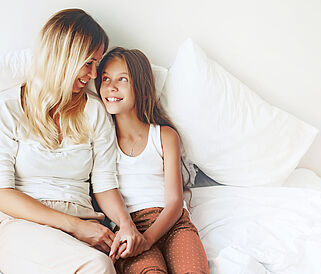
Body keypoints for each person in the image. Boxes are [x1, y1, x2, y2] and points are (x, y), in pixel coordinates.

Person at [0, 9, 145, 273]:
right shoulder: (8, 108)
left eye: (96, 65)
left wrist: (126, 225)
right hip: (21, 224)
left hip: (85, 224)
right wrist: (76, 227)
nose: (93, 75)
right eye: (88, 63)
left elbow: (104, 184)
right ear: (63, 57)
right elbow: (2, 193)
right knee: (96, 265)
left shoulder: (95, 111)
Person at [95, 47, 209, 273]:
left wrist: (147, 240)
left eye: (123, 79)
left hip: (173, 224)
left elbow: (175, 203)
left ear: (141, 86)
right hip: (130, 228)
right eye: (105, 78)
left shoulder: (164, 136)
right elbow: (102, 188)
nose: (111, 86)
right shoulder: (101, 140)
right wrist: (134, 235)